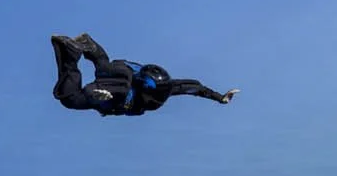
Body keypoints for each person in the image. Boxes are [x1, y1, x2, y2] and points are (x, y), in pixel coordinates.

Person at [49, 33, 235, 115]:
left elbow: (194, 87)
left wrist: (219, 97)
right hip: (117, 82)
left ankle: (90, 45)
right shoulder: (125, 91)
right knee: (72, 99)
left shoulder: (165, 87)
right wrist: (99, 96)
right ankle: (71, 54)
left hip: (120, 69)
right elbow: (94, 93)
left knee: (103, 65)